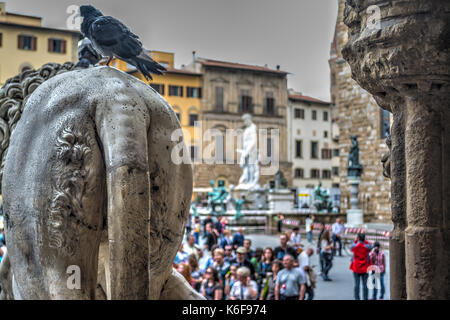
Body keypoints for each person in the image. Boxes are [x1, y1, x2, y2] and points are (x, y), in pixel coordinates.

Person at [350, 233, 372, 300]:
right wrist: (365, 240)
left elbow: (351, 246)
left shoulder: (355, 247)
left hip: (356, 267)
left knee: (357, 284)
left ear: (358, 238)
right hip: (365, 268)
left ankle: (357, 298)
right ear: (364, 238)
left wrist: (355, 240)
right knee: (365, 285)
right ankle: (365, 298)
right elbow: (370, 246)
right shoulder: (367, 247)